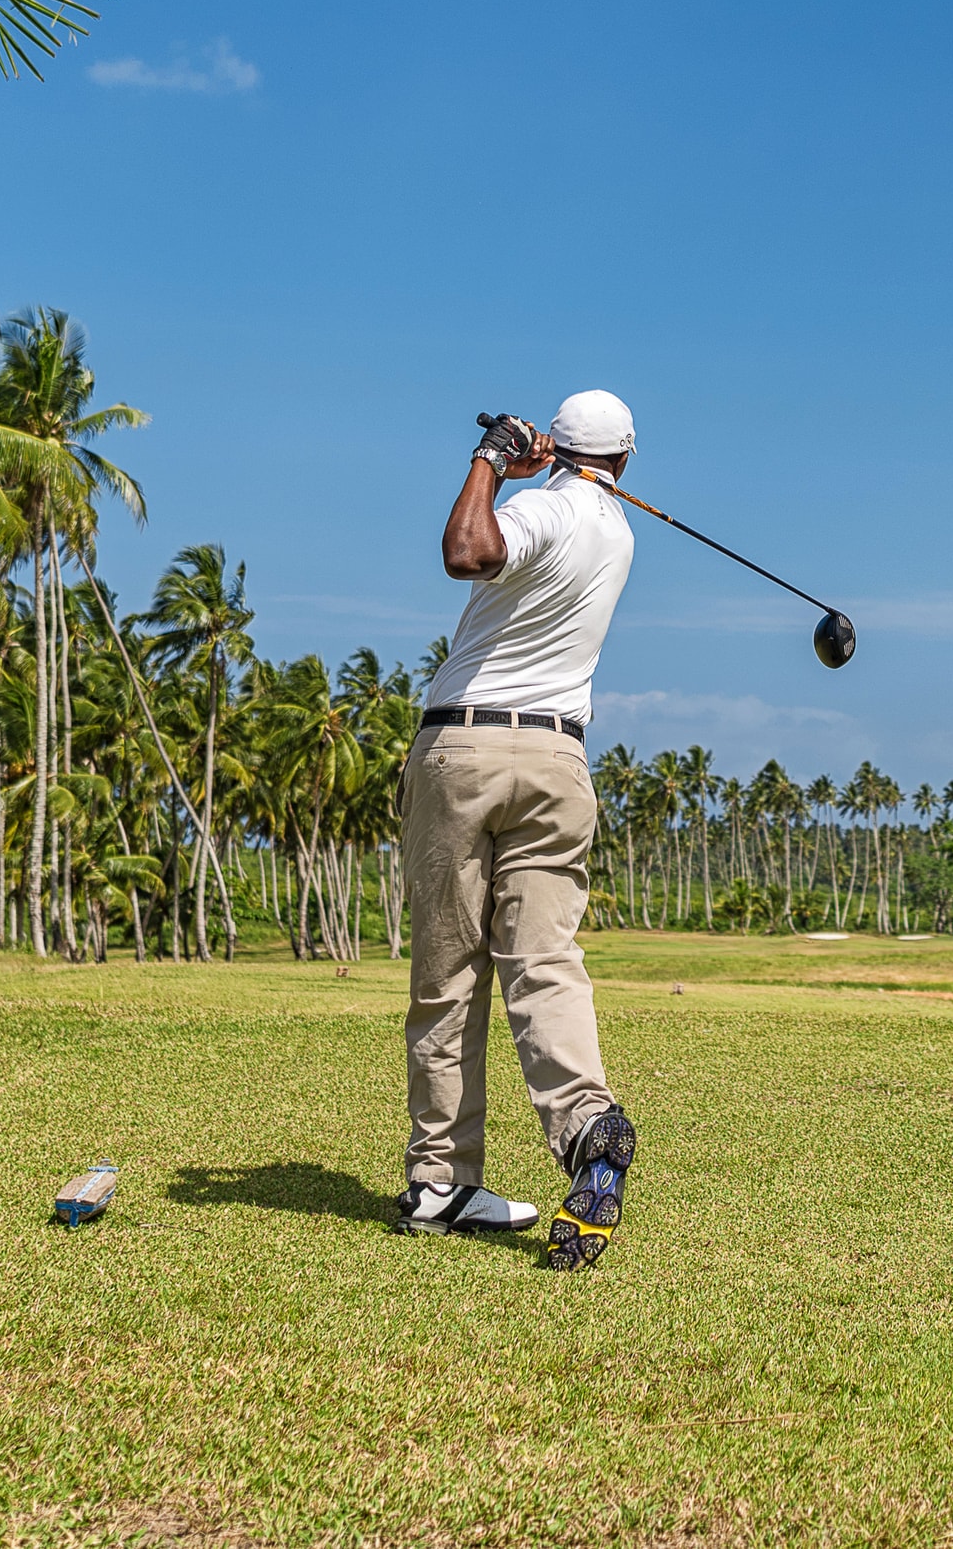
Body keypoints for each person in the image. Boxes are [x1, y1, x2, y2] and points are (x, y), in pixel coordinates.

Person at [392, 389, 641, 1267]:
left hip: (464, 749)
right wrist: (552, 466)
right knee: (544, 960)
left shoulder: (539, 507)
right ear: (626, 461)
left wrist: (493, 459)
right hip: (559, 762)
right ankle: (587, 1130)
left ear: (560, 449)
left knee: (448, 974)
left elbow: (469, 549)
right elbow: (563, 511)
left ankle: (439, 1180)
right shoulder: (619, 533)